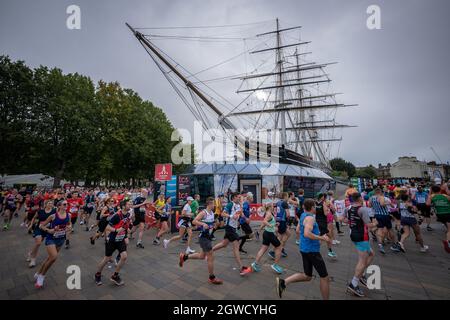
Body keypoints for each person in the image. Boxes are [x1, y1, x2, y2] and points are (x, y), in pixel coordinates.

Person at [276, 198, 330, 300]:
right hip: (311, 251)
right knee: (324, 277)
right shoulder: (310, 218)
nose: (316, 208)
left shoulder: (303, 216)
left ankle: (283, 282)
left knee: (307, 276)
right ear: (313, 207)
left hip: (305, 249)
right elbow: (306, 233)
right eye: (315, 206)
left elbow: (298, 230)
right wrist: (321, 237)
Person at [178, 197, 223, 284]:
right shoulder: (203, 212)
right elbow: (194, 221)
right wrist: (203, 224)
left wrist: (214, 225)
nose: (214, 205)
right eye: (213, 203)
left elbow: (211, 224)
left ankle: (184, 257)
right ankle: (212, 277)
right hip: (203, 238)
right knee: (210, 257)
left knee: (202, 256)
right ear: (209, 204)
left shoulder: (212, 213)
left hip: (208, 237)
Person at [212, 192, 252, 276]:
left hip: (233, 228)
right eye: (238, 197)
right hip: (229, 227)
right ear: (234, 198)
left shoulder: (239, 205)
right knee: (236, 247)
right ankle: (241, 268)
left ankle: (209, 251)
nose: (239, 199)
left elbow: (241, 213)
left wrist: (246, 218)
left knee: (224, 244)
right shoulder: (230, 204)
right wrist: (231, 216)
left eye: (240, 197)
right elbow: (222, 213)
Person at [34, 200, 72, 288]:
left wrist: (69, 228)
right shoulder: (53, 216)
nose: (66, 205)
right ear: (59, 206)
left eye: (67, 204)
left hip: (61, 239)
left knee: (50, 258)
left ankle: (38, 272)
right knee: (54, 257)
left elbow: (70, 225)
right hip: (51, 239)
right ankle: (41, 276)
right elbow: (41, 226)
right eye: (64, 204)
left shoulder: (69, 215)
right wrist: (49, 230)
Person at [346, 192, 377, 297]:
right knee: (362, 261)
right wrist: (375, 224)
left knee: (371, 254)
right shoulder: (362, 209)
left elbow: (345, 220)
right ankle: (353, 284)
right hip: (361, 237)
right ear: (359, 198)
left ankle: (362, 274)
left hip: (353, 235)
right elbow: (369, 225)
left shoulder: (349, 208)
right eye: (362, 198)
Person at [94, 201, 132, 286]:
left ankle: (115, 275)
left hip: (121, 239)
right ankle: (97, 274)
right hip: (112, 240)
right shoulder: (116, 215)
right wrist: (115, 230)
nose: (130, 205)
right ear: (123, 206)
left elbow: (125, 225)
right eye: (128, 204)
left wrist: (127, 231)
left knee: (124, 256)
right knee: (107, 259)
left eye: (130, 204)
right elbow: (107, 227)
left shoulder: (128, 214)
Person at [251, 204, 284, 274]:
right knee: (279, 247)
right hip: (269, 234)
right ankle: (275, 265)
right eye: (272, 206)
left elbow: (266, 222)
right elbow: (264, 221)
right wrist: (271, 225)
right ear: (269, 207)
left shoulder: (268, 213)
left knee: (263, 249)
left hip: (266, 233)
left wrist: (274, 224)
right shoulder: (269, 214)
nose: (273, 207)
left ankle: (255, 263)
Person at [27, 199, 55, 268]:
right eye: (49, 203)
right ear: (45, 204)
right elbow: (34, 218)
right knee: (38, 243)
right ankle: (33, 260)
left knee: (38, 244)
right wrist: (31, 225)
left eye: (51, 203)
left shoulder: (54, 211)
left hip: (47, 229)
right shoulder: (40, 211)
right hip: (39, 228)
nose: (50, 204)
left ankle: (31, 253)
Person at [369, 188, 398, 254]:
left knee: (379, 229)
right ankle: (394, 244)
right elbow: (382, 204)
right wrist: (388, 203)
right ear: (380, 192)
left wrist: (376, 206)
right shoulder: (381, 197)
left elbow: (369, 206)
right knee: (390, 229)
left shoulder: (371, 198)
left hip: (377, 215)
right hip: (384, 215)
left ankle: (380, 245)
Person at [426, 185, 450, 253]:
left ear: (432, 190)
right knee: (449, 230)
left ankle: (448, 240)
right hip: (448, 213)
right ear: (440, 190)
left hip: (440, 215)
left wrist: (430, 194)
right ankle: (448, 242)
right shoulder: (445, 196)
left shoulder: (432, 196)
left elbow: (427, 204)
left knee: (448, 228)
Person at [315, 193, 337, 259]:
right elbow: (325, 214)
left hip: (317, 222)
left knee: (328, 237)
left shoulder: (315, 203)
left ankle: (330, 251)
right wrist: (328, 210)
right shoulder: (323, 203)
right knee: (322, 238)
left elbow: (314, 212)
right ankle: (314, 251)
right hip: (323, 223)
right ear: (322, 197)